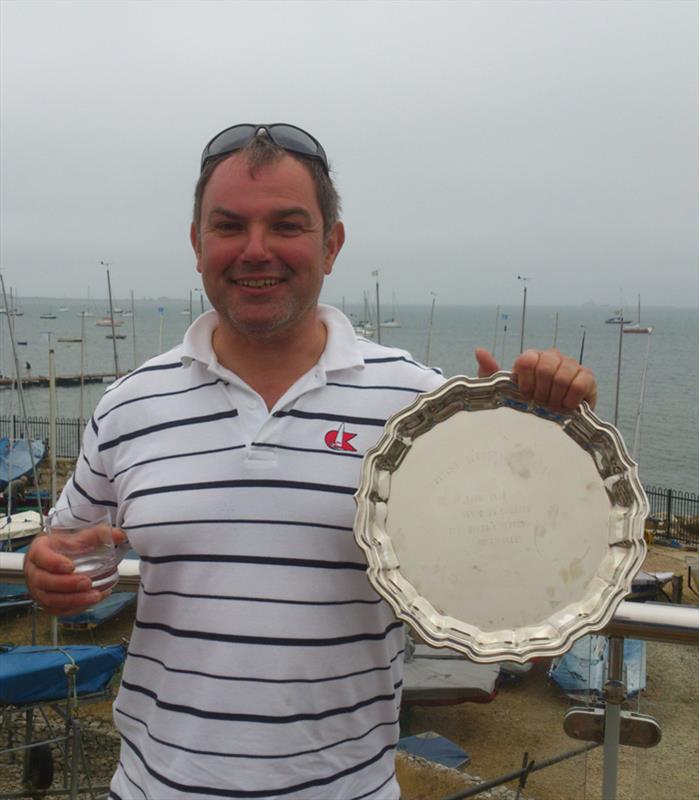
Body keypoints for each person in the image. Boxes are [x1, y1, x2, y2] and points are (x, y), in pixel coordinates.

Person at [24, 123, 597, 800]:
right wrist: (45, 566)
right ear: (197, 243)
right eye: (229, 225)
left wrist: (544, 432)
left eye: (286, 225)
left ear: (332, 243)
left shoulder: (418, 403)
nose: (255, 250)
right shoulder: (130, 403)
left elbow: (513, 559)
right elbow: (62, 543)